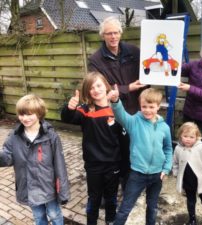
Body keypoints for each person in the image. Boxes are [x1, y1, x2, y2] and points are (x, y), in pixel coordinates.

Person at [88, 16, 147, 188]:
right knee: (115, 149)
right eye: (108, 33)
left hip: (135, 109)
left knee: (133, 147)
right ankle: (114, 183)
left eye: (115, 32)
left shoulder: (134, 52)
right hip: (112, 111)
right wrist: (127, 88)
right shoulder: (96, 60)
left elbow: (147, 75)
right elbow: (99, 88)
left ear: (121, 33)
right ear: (103, 36)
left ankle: (130, 182)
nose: (113, 37)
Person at [61, 72, 123, 225]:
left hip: (113, 164)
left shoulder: (116, 109)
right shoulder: (85, 110)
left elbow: (123, 137)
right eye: (91, 88)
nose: (95, 90)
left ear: (106, 86)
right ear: (87, 91)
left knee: (111, 196)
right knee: (94, 198)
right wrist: (69, 108)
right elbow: (68, 118)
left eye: (98, 85)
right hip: (93, 164)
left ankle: (110, 220)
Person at [0, 94, 69, 225]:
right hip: (29, 188)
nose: (25, 118)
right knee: (38, 216)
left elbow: (60, 165)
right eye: (21, 114)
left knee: (54, 214)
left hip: (49, 188)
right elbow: (7, 158)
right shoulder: (14, 137)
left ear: (39, 113)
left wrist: (63, 191)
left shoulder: (51, 137)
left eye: (29, 114)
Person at [108, 87, 173, 225]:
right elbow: (121, 116)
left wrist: (166, 168)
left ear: (158, 106)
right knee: (125, 208)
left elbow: (168, 148)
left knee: (152, 207)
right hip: (137, 174)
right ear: (140, 106)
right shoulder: (134, 122)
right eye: (144, 106)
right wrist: (115, 101)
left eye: (151, 106)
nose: (147, 110)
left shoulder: (164, 128)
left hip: (157, 175)